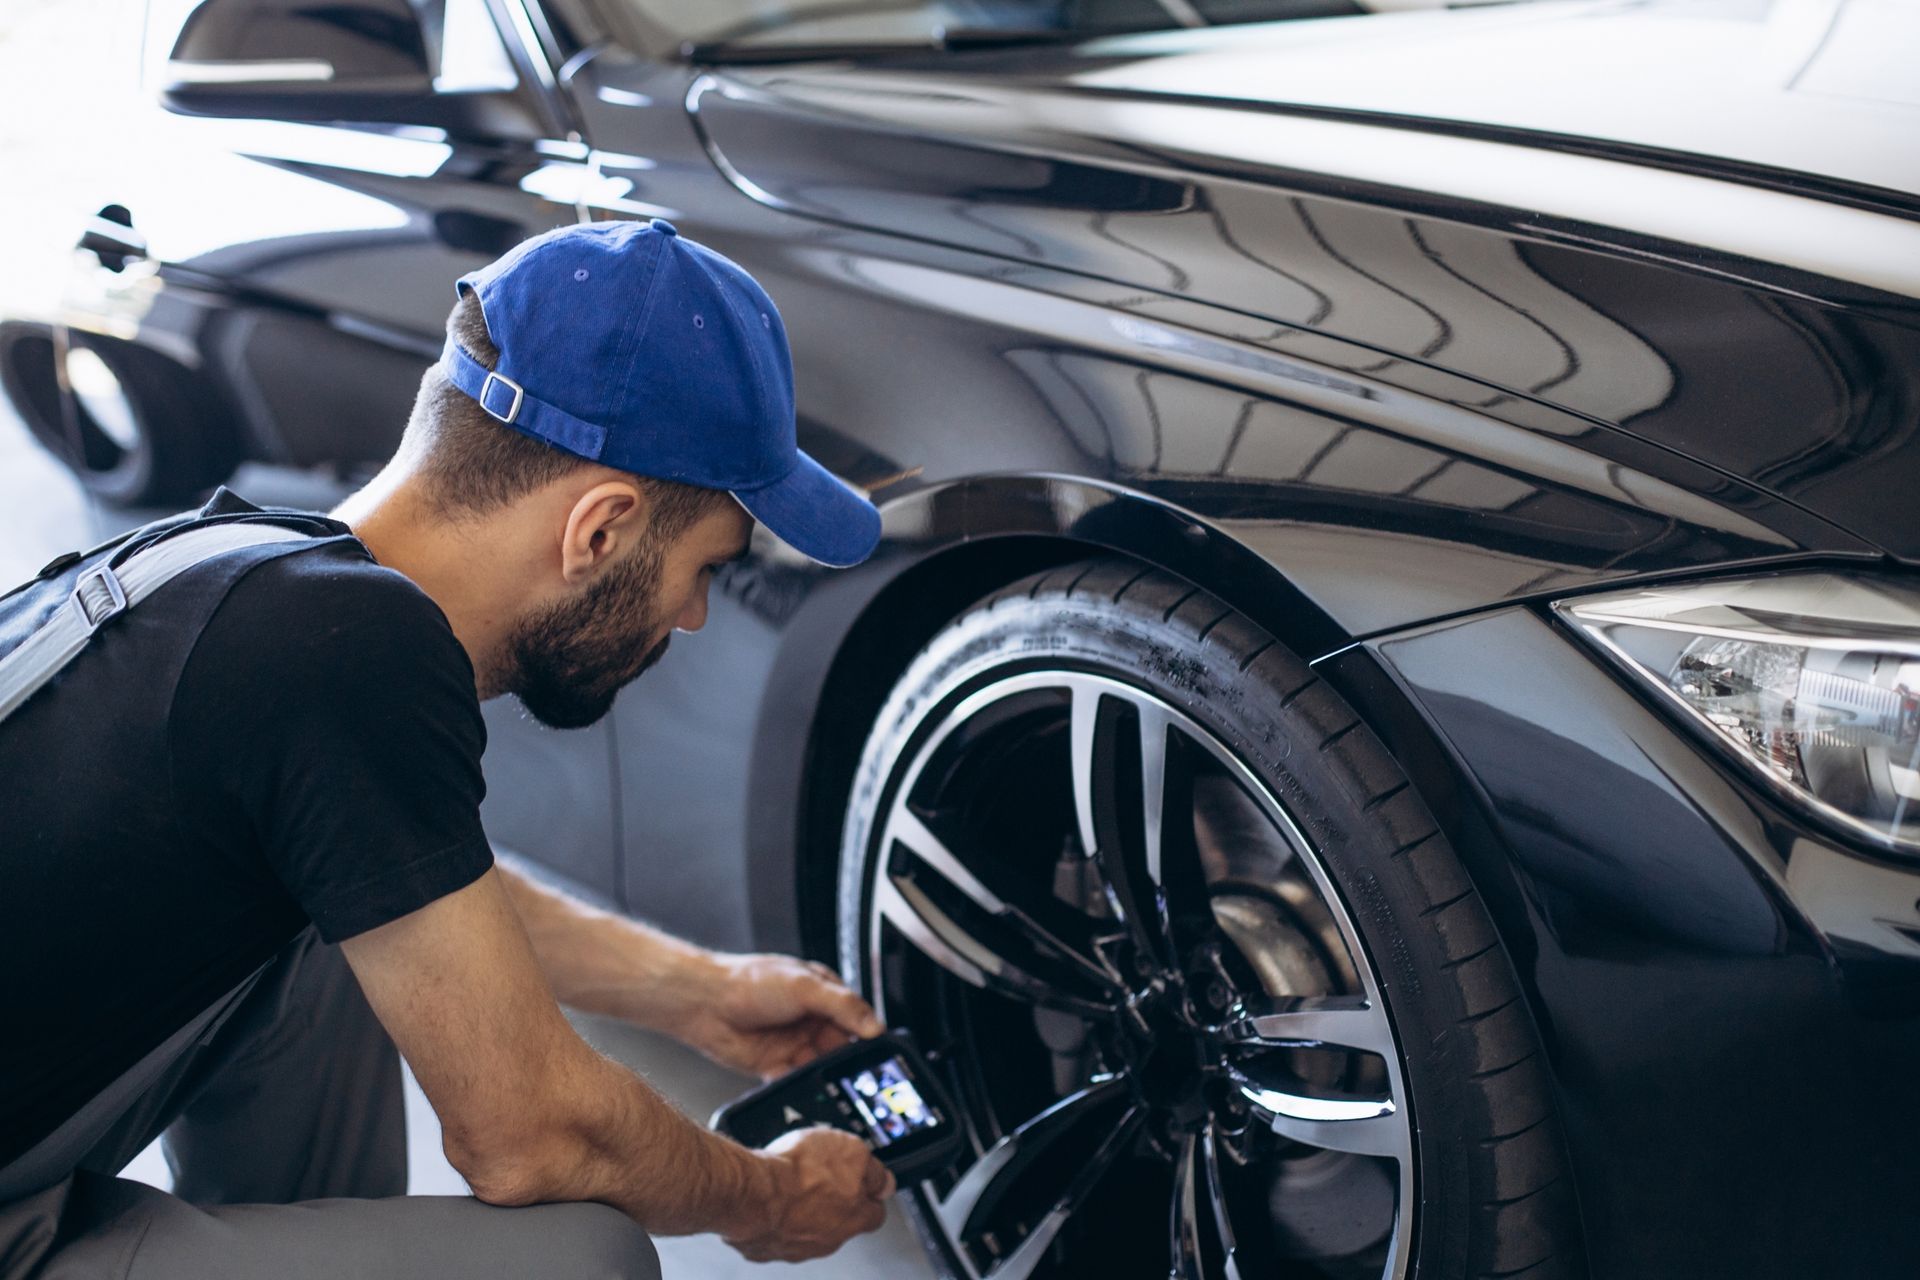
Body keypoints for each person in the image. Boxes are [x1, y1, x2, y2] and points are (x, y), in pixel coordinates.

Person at [0, 219, 895, 1278]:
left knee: (327, 912)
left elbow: (407, 869)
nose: (694, 614)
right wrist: (772, 1198)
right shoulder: (356, 654)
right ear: (599, 530)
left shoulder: (247, 572)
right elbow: (532, 1135)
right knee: (587, 1254)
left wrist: (697, 990)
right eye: (705, 567)